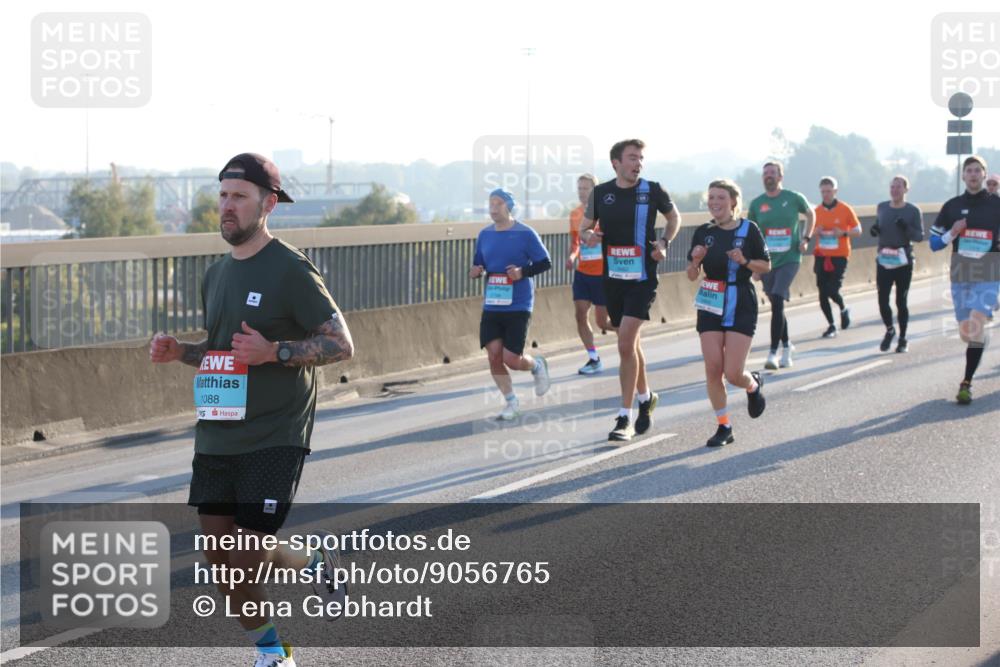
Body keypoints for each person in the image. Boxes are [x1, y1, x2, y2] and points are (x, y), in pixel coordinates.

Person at [150, 153, 354, 667]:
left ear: (268, 205)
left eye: (239, 196)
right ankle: (299, 590)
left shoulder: (290, 269)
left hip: (274, 433)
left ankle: (276, 656)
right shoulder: (215, 274)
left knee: (245, 554)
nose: (226, 206)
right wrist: (182, 352)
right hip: (217, 433)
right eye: (222, 195)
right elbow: (222, 351)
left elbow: (340, 344)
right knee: (222, 564)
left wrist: (277, 352)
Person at [579, 139, 681, 441]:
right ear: (616, 163)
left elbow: (674, 218)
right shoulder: (601, 193)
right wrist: (589, 237)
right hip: (613, 278)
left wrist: (663, 243)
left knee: (624, 343)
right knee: (631, 344)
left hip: (642, 279)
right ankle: (645, 398)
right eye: (632, 158)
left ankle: (624, 418)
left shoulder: (653, 190)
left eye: (641, 158)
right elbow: (584, 228)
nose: (638, 163)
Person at [687, 179, 770, 447]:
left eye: (721, 197)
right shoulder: (702, 232)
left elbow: (766, 266)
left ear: (733, 201)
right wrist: (696, 260)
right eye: (711, 197)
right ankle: (724, 426)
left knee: (733, 373)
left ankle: (752, 385)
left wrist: (744, 261)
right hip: (711, 299)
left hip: (741, 300)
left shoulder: (749, 230)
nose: (715, 202)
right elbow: (691, 275)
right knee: (713, 368)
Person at [470, 188, 552, 419]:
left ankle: (536, 366)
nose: (493, 208)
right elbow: (479, 264)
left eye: (498, 203)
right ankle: (511, 402)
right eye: (491, 203)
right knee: (494, 356)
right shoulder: (485, 234)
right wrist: (476, 271)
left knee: (511, 359)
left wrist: (522, 271)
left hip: (518, 304)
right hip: (493, 303)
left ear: (509, 206)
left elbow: (545, 263)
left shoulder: (525, 233)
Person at [929, 155, 1000, 404]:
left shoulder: (997, 204)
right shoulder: (951, 206)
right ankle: (981, 339)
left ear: (984, 174)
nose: (972, 174)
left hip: (990, 271)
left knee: (977, 322)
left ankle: (966, 383)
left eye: (977, 170)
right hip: (961, 273)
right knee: (967, 333)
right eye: (968, 170)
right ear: (962, 176)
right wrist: (953, 232)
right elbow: (934, 244)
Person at [747, 162, 815, 370]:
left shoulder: (793, 198)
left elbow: (811, 214)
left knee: (777, 297)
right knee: (777, 305)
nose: (769, 176)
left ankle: (773, 352)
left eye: (773, 173)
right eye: (766, 173)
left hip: (790, 258)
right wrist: (753, 267)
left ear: (780, 176)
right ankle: (786, 346)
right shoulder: (757, 204)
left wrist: (806, 237)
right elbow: (751, 235)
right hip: (767, 262)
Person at [871, 176, 924, 353]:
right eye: (892, 187)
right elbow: (878, 225)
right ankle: (889, 330)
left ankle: (902, 338)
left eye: (898, 187)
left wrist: (905, 227)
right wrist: (875, 229)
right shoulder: (882, 207)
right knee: (882, 299)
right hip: (885, 257)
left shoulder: (913, 211)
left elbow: (919, 237)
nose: (894, 190)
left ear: (905, 190)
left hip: (903, 259)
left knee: (901, 300)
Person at [567, 173, 613, 374]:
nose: (582, 192)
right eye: (579, 188)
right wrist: (571, 256)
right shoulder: (575, 214)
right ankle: (594, 358)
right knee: (580, 314)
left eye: (586, 188)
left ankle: (628, 335)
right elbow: (575, 244)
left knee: (602, 322)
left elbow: (615, 239)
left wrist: (599, 239)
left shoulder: (606, 212)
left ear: (595, 190)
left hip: (603, 274)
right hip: (583, 273)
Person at [812, 176, 862, 338]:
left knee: (832, 290)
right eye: (823, 192)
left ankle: (843, 308)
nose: (826, 194)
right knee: (821, 292)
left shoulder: (845, 209)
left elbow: (858, 230)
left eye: (829, 191)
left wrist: (843, 233)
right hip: (822, 255)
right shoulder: (816, 212)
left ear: (835, 191)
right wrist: (815, 232)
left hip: (839, 255)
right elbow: (808, 231)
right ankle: (832, 325)